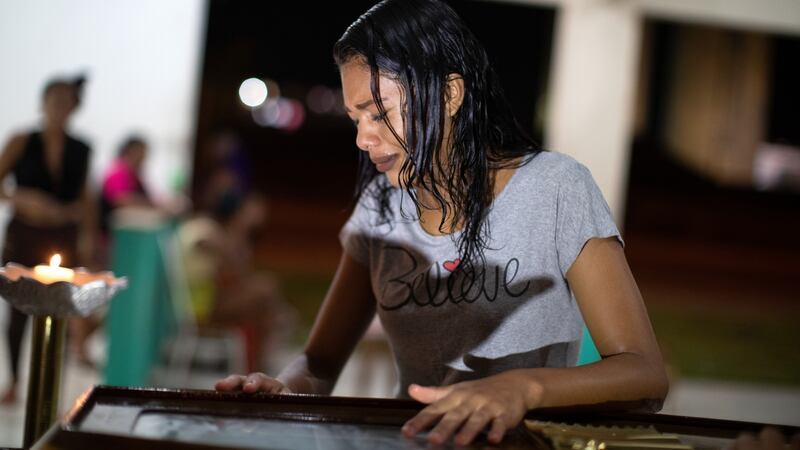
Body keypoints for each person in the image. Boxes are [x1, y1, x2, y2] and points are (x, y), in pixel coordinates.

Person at [215, 0, 669, 446]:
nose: (361, 138)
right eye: (355, 118)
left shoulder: (555, 189)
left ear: (450, 94)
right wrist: (285, 388)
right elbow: (318, 364)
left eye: (379, 112)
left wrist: (524, 388)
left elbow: (644, 372)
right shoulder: (380, 208)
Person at [0, 75, 95, 403]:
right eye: (54, 100)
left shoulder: (81, 149)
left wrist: (85, 233)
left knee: (59, 309)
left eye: (66, 102)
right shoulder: (21, 141)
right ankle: (14, 379)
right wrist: (24, 199)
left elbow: (86, 198)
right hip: (24, 234)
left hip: (61, 236)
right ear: (43, 103)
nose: (59, 108)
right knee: (18, 311)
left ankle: (51, 385)